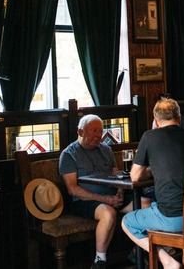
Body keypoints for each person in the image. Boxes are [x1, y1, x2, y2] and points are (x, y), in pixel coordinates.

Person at [121, 98, 184, 269]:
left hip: (173, 218)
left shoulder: (149, 137)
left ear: (155, 121)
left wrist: (152, 169)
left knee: (127, 222)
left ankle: (167, 261)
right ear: (179, 118)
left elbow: (135, 177)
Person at [60, 114, 139, 269]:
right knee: (109, 213)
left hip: (112, 197)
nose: (98, 135)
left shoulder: (106, 150)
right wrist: (105, 199)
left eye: (100, 131)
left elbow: (117, 177)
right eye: (93, 131)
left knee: (148, 204)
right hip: (86, 201)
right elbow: (72, 189)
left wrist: (119, 193)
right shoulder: (69, 154)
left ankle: (138, 251)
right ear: (80, 131)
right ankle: (99, 261)